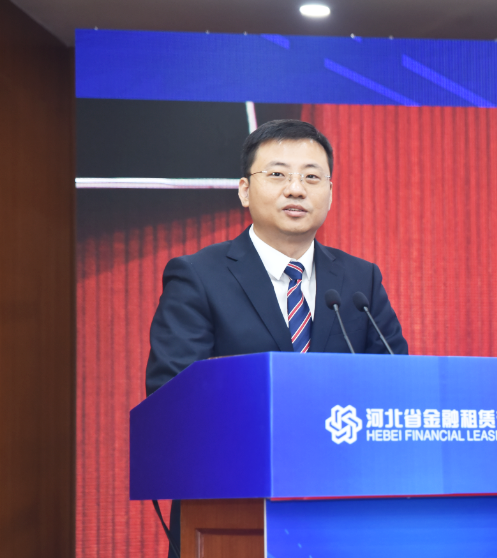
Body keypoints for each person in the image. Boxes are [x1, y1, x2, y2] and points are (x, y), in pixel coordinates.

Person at [145, 119, 408, 556]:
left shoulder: (361, 280)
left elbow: (397, 386)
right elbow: (171, 397)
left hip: (343, 510)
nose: (296, 189)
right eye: (278, 174)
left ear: (330, 192)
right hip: (233, 511)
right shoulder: (198, 276)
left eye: (311, 177)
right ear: (245, 190)